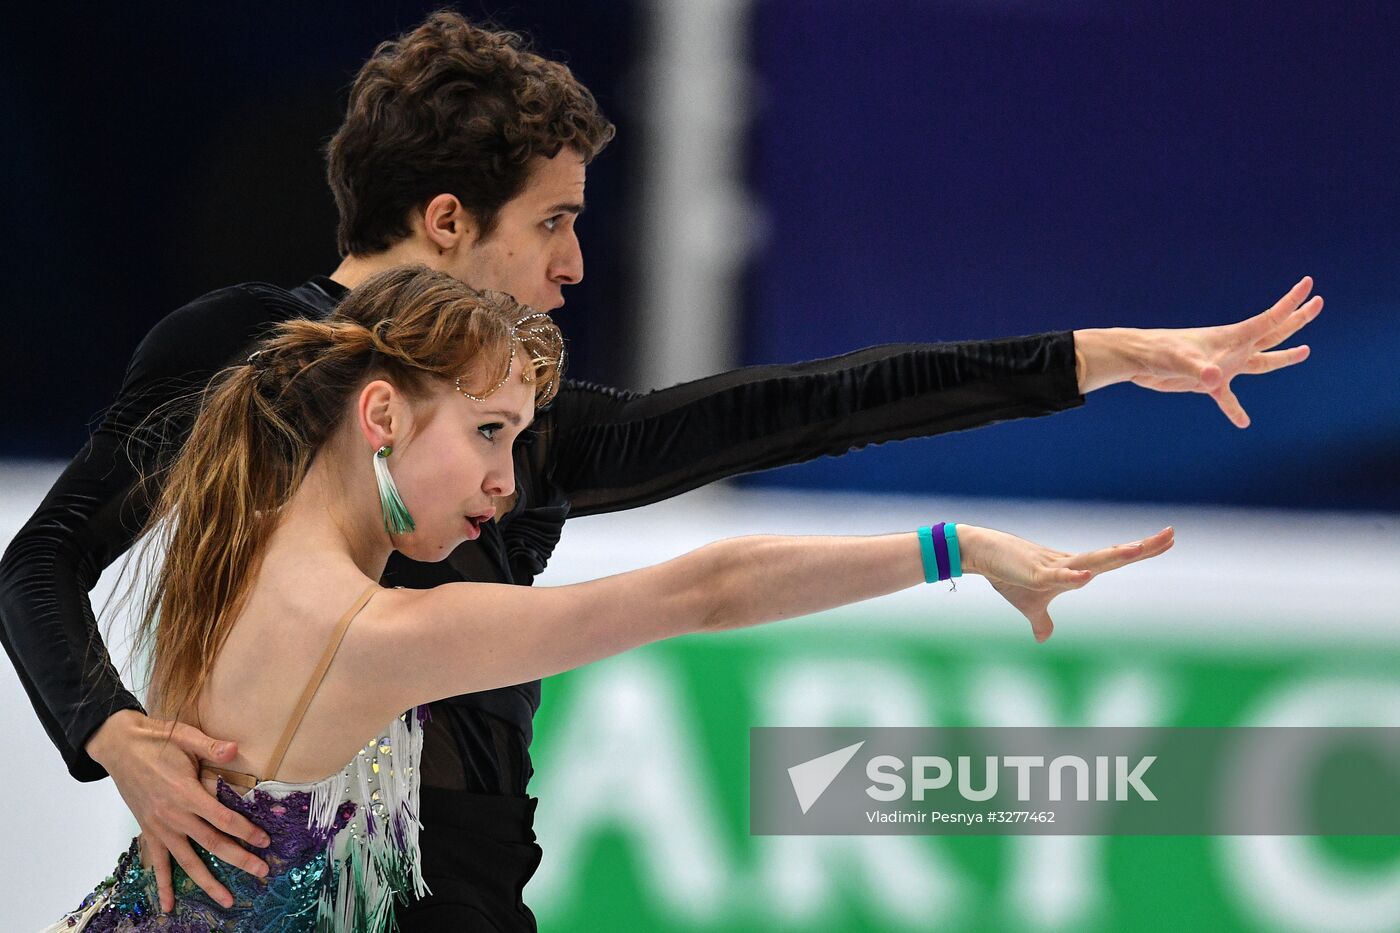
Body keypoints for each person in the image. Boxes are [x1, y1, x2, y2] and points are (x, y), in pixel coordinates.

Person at [0, 11, 1321, 930]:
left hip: (442, 872)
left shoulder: (496, 428)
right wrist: (112, 730)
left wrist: (1089, 356)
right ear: (449, 228)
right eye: (557, 223)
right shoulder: (245, 374)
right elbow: (45, 556)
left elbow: (811, 406)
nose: (576, 269)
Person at [43, 265, 1174, 931]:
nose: (504, 479)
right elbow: (707, 588)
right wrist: (954, 545)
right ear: (380, 415)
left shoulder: (237, 524)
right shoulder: (369, 632)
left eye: (519, 441)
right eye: (488, 434)